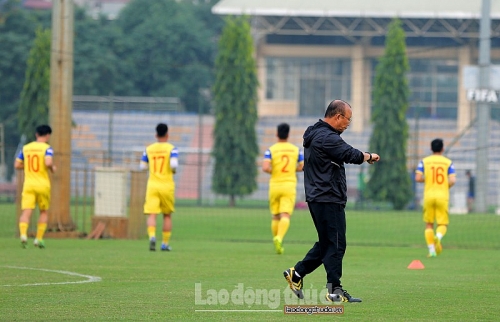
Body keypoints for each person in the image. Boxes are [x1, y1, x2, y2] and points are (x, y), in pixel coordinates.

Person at [283, 100, 380, 303]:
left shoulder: (316, 133)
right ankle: (334, 289)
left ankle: (297, 274)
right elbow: (349, 154)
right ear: (337, 116)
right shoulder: (327, 137)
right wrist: (368, 156)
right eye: (347, 119)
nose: (348, 124)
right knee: (336, 243)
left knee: (328, 242)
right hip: (327, 196)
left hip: (319, 196)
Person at [262, 123, 304, 254]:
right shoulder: (296, 150)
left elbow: (265, 167)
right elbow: (303, 166)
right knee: (285, 214)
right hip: (289, 185)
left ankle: (276, 242)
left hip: (274, 185)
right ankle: (279, 238)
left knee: (275, 216)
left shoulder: (271, 150)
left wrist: (274, 172)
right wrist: (293, 170)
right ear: (288, 134)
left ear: (277, 134)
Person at [14, 125, 56, 249]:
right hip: (43, 185)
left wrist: (26, 167)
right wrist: (52, 168)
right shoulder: (47, 148)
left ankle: (23, 235)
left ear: (36, 134)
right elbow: (48, 162)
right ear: (48, 135)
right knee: (43, 211)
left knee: (26, 212)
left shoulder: (26, 148)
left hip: (29, 185)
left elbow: (17, 165)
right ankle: (38, 238)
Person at [415, 138, 456, 258]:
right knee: (442, 224)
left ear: (431, 148)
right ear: (443, 149)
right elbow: (453, 180)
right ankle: (438, 237)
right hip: (442, 196)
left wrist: (427, 181)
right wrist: (444, 185)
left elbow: (417, 178)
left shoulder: (424, 161)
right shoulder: (448, 162)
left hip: (428, 196)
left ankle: (432, 250)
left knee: (428, 224)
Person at [140, 123, 178, 251]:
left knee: (152, 214)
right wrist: (172, 171)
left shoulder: (148, 149)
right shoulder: (172, 148)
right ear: (167, 134)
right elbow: (173, 165)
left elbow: (142, 167)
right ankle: (165, 244)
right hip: (167, 185)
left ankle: (151, 237)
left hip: (152, 185)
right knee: (167, 215)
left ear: (156, 135)